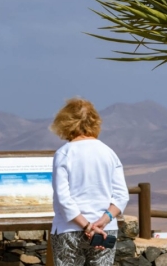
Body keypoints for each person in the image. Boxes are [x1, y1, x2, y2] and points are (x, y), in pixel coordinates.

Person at [49, 97, 129, 266]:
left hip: (69, 229)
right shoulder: (108, 153)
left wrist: (87, 226)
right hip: (105, 230)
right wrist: (103, 221)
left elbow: (63, 199)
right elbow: (121, 196)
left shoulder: (64, 154)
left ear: (64, 122)